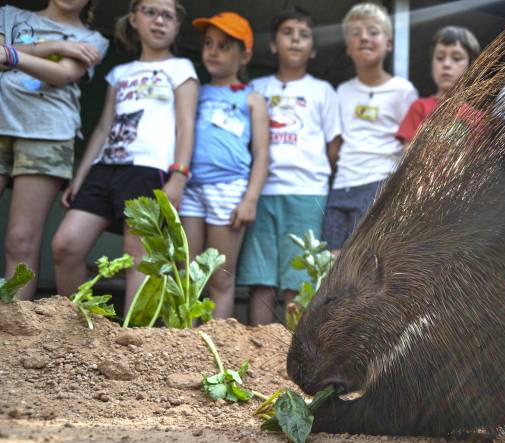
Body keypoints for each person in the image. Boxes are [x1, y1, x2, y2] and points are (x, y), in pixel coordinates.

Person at [52, 0, 199, 310]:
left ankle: (132, 344)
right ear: (134, 18)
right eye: (150, 12)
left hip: (148, 168)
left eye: (167, 16)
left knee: (139, 256)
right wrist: (80, 176)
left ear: (176, 27)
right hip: (104, 168)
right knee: (66, 245)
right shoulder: (119, 73)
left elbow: (186, 124)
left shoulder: (181, 68)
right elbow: (104, 127)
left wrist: (179, 176)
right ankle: (78, 330)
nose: (159, 21)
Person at [238, 7, 341, 325]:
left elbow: (333, 147)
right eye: (287, 33)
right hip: (261, 192)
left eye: (304, 35)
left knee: (298, 280)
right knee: (261, 278)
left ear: (312, 49)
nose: (295, 40)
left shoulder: (322, 90)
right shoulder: (256, 88)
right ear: (273, 44)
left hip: (307, 192)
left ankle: (288, 358)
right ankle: (257, 356)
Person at [0, 1, 108, 300]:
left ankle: (12, 330)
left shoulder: (93, 39)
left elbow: (61, 75)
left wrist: (13, 52)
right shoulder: (8, 14)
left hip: (48, 133)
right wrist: (57, 45)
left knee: (21, 241)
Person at [177, 12, 268, 319]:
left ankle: (217, 343)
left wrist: (250, 199)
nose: (213, 52)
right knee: (187, 272)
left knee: (220, 275)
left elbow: (262, 153)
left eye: (224, 46)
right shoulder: (196, 92)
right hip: (190, 188)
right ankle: (180, 342)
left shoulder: (253, 99)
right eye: (208, 44)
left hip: (228, 189)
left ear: (245, 55)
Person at [322, 2, 417, 255]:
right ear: (348, 48)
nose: (364, 37)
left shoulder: (403, 90)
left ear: (388, 43)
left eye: (373, 32)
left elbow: (411, 146)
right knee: (331, 264)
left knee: (365, 267)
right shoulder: (341, 91)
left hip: (380, 184)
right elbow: (336, 145)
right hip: (342, 186)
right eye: (356, 33)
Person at [396, 26, 480, 147]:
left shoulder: (477, 119)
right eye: (440, 58)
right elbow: (407, 157)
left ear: (471, 66)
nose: (446, 64)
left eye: (456, 58)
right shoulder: (419, 108)